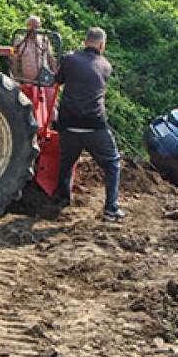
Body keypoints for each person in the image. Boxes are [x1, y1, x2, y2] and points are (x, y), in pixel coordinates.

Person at [53, 27, 126, 221]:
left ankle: (62, 199)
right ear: (102, 46)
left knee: (66, 162)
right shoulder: (105, 66)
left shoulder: (70, 59)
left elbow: (56, 80)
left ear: (85, 42)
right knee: (112, 163)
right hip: (94, 124)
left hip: (68, 123)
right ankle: (111, 208)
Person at [11, 15, 56, 83]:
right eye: (31, 26)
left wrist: (55, 75)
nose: (34, 29)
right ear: (27, 26)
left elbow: (51, 58)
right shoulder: (20, 41)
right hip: (26, 80)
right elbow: (14, 60)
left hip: (44, 79)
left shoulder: (44, 40)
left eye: (36, 26)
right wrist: (17, 77)